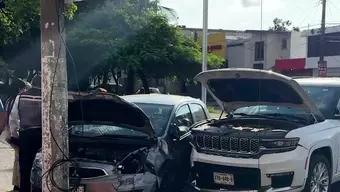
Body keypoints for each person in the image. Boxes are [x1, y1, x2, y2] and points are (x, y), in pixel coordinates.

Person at [9, 75, 41, 192]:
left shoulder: (20, 97)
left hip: (25, 135)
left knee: (25, 166)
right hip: (41, 135)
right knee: (40, 165)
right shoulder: (45, 97)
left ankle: (24, 189)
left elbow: (13, 118)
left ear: (32, 83)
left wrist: (14, 135)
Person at [3, 79, 28, 192]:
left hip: (8, 132)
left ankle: (17, 183)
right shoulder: (17, 99)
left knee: (17, 158)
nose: (25, 90)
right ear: (20, 89)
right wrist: (15, 135)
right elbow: (13, 118)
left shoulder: (9, 99)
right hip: (14, 133)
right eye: (24, 88)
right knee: (19, 159)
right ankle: (18, 184)